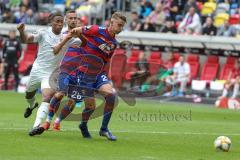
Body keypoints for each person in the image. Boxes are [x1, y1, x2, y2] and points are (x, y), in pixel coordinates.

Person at [32, 12, 127, 141]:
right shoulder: (96, 30)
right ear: (111, 23)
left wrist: (106, 74)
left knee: (111, 96)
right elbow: (74, 31)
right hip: (84, 75)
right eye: (119, 25)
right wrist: (60, 45)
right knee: (90, 106)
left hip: (99, 75)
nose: (120, 28)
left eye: (122, 26)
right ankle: (82, 125)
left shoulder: (114, 43)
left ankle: (104, 129)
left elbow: (107, 60)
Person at [17, 11, 73, 134]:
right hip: (37, 70)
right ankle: (32, 106)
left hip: (51, 73)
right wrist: (21, 31)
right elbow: (26, 39)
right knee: (29, 95)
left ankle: (36, 126)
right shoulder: (43, 32)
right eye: (57, 21)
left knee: (47, 97)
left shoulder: (66, 36)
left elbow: (83, 43)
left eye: (61, 21)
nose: (59, 23)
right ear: (50, 22)